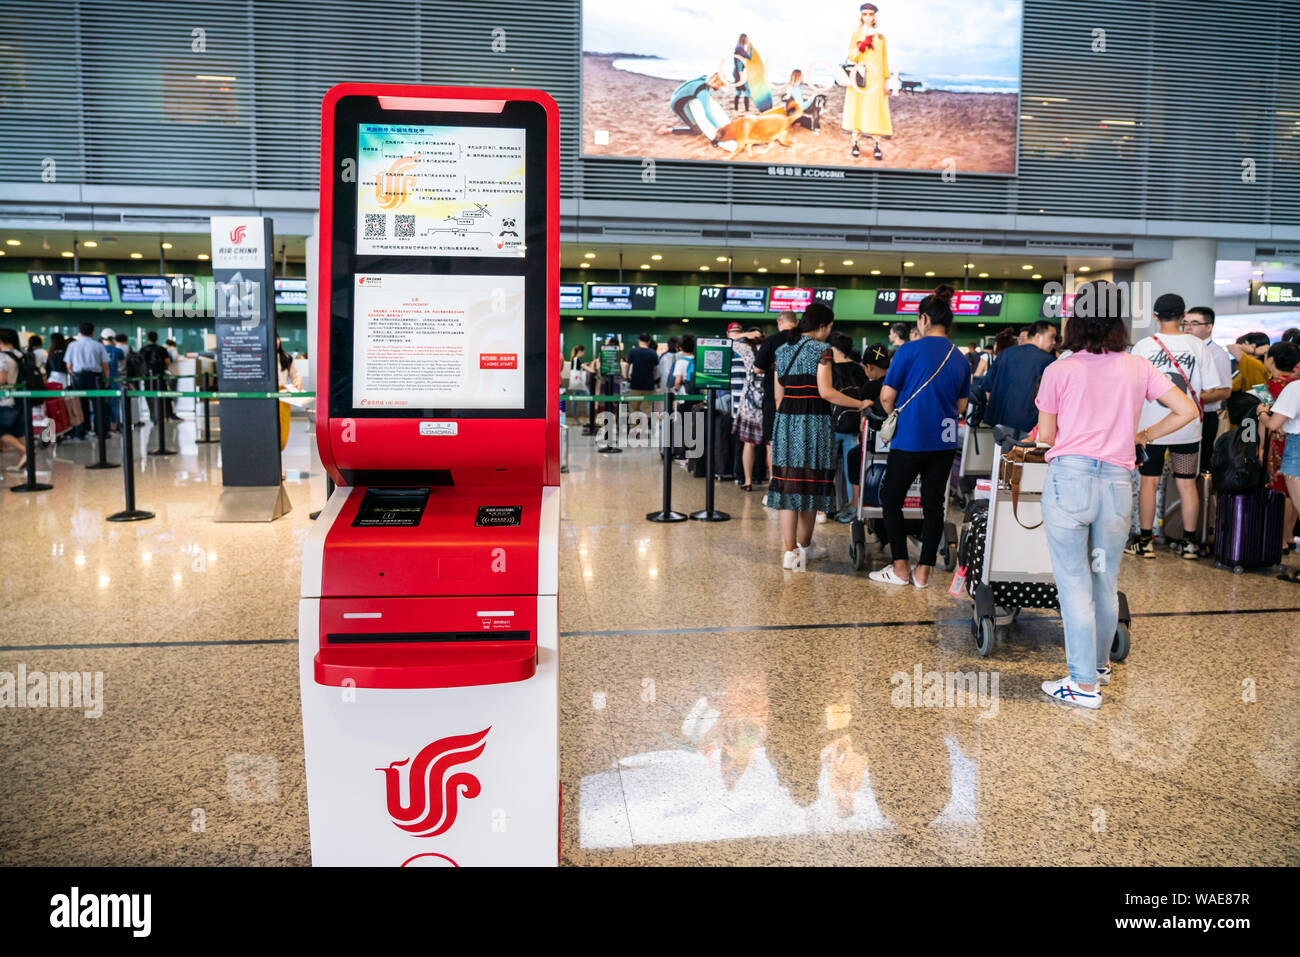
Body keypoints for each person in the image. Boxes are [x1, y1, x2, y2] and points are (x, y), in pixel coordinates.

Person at [1033, 282, 1199, 708]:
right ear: (1118, 321)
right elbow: (1187, 411)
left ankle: (1082, 684)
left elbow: (1047, 436)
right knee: (1105, 580)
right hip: (1117, 485)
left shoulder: (1059, 370)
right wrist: (1141, 433)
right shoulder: (1137, 366)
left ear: (1075, 321)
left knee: (1073, 584)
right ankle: (1100, 667)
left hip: (1070, 484)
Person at [870, 287, 971, 587]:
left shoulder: (908, 351)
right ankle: (923, 572)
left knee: (891, 498)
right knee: (933, 505)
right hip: (944, 441)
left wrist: (896, 413)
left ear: (925, 319)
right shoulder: (960, 358)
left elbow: (887, 397)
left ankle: (900, 568)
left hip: (911, 438)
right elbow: (961, 406)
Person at [768, 302, 872, 570]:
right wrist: (859, 404)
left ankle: (789, 553)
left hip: (785, 421)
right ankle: (805, 547)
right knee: (811, 486)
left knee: (788, 486)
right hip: (813, 421)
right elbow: (826, 392)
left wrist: (789, 418)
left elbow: (778, 396)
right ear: (824, 326)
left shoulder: (782, 349)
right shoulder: (821, 350)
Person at [1126, 293, 1230, 559]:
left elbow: (1133, 389)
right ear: (1183, 316)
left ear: (1154, 316)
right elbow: (1211, 388)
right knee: (1187, 484)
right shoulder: (1198, 347)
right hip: (1187, 428)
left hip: (1150, 430)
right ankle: (1188, 544)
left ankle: (1146, 542)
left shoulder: (1143, 346)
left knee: (1149, 483)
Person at [1257, 350, 1300, 583]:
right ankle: (1289, 538)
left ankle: (1282, 543)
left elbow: (1272, 424)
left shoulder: (1279, 388)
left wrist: (1263, 414)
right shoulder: (1293, 384)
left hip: (1291, 445)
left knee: (1290, 495)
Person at [980, 319, 1057, 439]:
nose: (1054, 342)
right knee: (1021, 457)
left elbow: (988, 387)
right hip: (1029, 425)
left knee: (1001, 456)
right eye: (1051, 337)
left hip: (1001, 422)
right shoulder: (1048, 361)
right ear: (1037, 336)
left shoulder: (1005, 354)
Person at [1181, 305, 1233, 469]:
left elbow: (1225, 391)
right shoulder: (1183, 348)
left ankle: (1200, 494)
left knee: (1200, 464)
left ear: (1209, 327)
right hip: (1181, 415)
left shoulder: (1217, 354)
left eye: (1194, 323)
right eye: (1185, 323)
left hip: (1205, 418)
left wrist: (1189, 398)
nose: (1188, 328)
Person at [753, 310, 800, 485]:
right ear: (796, 322)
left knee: (773, 441)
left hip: (774, 398)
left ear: (779, 323)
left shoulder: (771, 341)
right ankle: (794, 480)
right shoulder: (804, 340)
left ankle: (776, 483)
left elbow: (757, 369)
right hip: (800, 397)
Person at [828, 331, 868, 521]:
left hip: (832, 425)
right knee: (852, 469)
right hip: (854, 426)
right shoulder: (859, 369)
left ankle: (826, 507)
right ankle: (855, 506)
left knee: (827, 468)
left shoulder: (828, 369)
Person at [842, 3, 891, 160]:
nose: (868, 17)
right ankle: (855, 143)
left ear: (874, 16)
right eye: (865, 14)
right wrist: (860, 47)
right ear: (861, 16)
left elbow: (884, 60)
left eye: (871, 14)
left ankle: (876, 145)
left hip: (876, 79)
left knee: (874, 110)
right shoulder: (856, 34)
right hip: (860, 76)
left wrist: (886, 80)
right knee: (857, 108)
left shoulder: (881, 37)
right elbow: (851, 56)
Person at [731, 328, 765, 490]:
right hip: (769, 399)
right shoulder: (771, 349)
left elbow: (730, 341)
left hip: (750, 402)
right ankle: (771, 482)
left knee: (748, 442)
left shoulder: (745, 349)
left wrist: (744, 335)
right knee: (769, 444)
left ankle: (748, 481)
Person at [65, 321, 109, 439]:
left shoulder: (72, 345)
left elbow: (69, 365)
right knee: (98, 404)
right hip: (96, 377)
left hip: (79, 377)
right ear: (93, 332)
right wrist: (106, 379)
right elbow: (105, 365)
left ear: (79, 332)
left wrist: (74, 375)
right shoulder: (98, 345)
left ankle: (81, 431)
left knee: (79, 405)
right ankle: (100, 431)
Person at [0, 328, 29, 470]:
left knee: (2, 431)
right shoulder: (21, 355)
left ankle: (25, 452)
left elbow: (2, 379)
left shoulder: (2, 357)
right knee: (17, 432)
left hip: (6, 400)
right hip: (21, 399)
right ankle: (24, 460)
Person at [140, 331, 172, 425]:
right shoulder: (161, 349)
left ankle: (153, 415)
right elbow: (167, 362)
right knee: (162, 395)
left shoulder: (143, 349)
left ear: (148, 338)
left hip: (147, 377)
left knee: (149, 396)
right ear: (157, 338)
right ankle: (163, 415)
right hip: (160, 376)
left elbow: (140, 363)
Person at [624, 334, 659, 416]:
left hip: (635, 384)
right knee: (646, 409)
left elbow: (627, 365)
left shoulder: (633, 351)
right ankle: (644, 428)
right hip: (649, 385)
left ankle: (634, 428)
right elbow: (655, 369)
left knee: (633, 409)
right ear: (649, 341)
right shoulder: (653, 353)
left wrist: (627, 376)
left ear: (639, 340)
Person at [101, 330, 124, 433]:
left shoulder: (100, 349)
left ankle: (99, 425)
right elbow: (122, 365)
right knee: (114, 403)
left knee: (99, 402)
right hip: (115, 378)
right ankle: (113, 426)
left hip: (102, 379)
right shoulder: (118, 350)